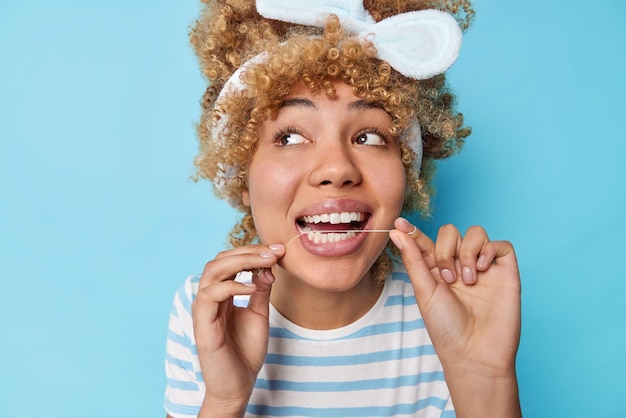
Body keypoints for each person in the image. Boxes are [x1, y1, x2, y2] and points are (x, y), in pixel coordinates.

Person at [164, 0, 522, 416]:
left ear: (408, 171)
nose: (337, 169)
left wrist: (482, 377)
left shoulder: (450, 317)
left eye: (369, 137)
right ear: (242, 177)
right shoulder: (209, 311)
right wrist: (224, 400)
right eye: (290, 137)